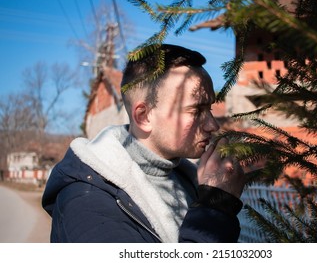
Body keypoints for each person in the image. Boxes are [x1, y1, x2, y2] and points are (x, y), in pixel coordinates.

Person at [42, 44, 248, 243]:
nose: (212, 125)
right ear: (144, 116)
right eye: (196, 111)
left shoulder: (186, 179)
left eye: (209, 109)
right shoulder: (86, 203)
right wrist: (216, 207)